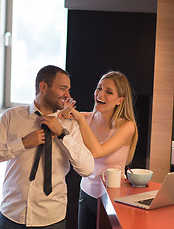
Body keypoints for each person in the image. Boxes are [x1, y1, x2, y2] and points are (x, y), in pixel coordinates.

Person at [0, 65, 94, 229]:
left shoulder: (70, 126)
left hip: (51, 220)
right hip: (11, 216)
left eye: (68, 89)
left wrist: (62, 134)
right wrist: (23, 143)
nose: (68, 95)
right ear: (44, 87)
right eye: (63, 88)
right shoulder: (11, 117)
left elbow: (88, 168)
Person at [59, 71, 138, 229]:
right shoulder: (85, 119)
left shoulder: (127, 126)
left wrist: (79, 119)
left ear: (120, 100)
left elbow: (97, 152)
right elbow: (55, 120)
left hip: (113, 197)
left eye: (108, 92)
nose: (100, 94)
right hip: (86, 193)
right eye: (99, 88)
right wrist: (63, 109)